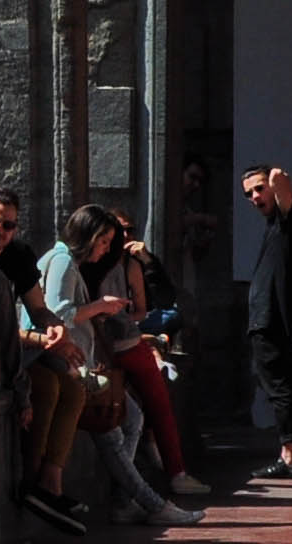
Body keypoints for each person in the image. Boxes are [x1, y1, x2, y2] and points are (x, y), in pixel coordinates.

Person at [48, 206, 200, 527]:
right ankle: (152, 504)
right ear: (87, 236)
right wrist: (99, 307)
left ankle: (126, 500)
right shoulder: (63, 261)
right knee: (114, 431)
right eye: (103, 241)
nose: (106, 249)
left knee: (132, 419)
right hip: (70, 365)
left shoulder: (75, 263)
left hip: (86, 361)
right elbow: (59, 314)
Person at [0, 192, 88, 533]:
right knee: (45, 386)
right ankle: (31, 480)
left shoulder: (19, 255)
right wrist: (41, 340)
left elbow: (38, 309)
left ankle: (51, 482)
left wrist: (54, 327)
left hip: (18, 347)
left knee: (74, 386)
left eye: (8, 225)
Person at [90, 204, 202, 499]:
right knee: (135, 415)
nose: (123, 237)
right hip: (101, 345)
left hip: (125, 339)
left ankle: (169, 473)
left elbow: (158, 302)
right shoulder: (91, 261)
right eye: (116, 231)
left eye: (129, 230)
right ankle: (132, 490)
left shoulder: (132, 264)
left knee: (152, 401)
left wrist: (148, 261)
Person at [241, 163, 292, 478]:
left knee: (281, 387)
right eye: (249, 194)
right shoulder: (275, 225)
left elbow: (279, 179)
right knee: (289, 385)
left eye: (259, 189)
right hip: (270, 319)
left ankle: (290, 456)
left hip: (270, 320)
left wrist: (271, 177)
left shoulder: (290, 219)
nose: (255, 197)